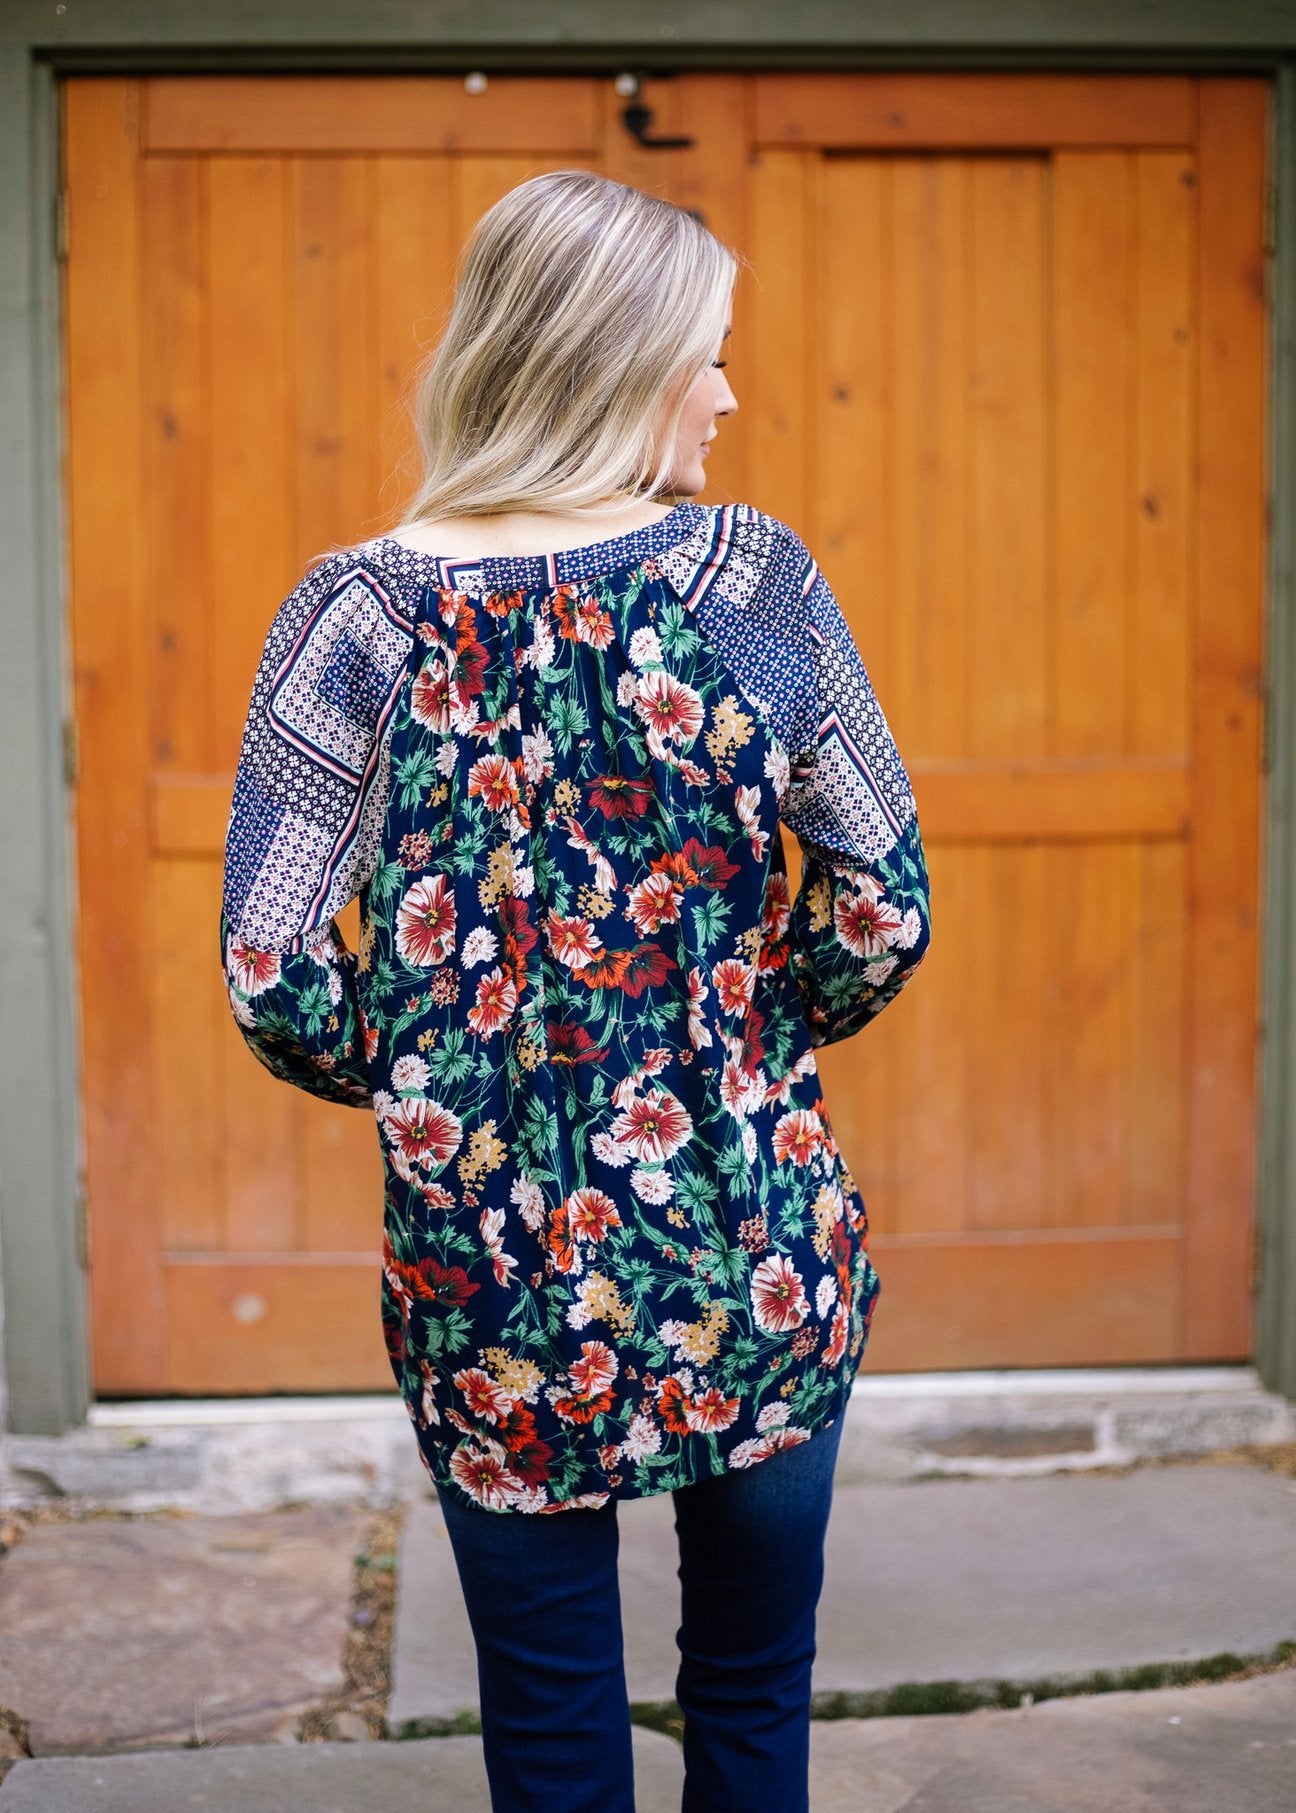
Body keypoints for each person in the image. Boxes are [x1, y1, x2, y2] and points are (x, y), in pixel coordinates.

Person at [220, 168, 931, 1813]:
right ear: (611, 359)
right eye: (713, 354)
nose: (734, 394)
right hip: (753, 1253)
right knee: (752, 1697)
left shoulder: (352, 619)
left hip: (494, 1288)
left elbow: (268, 968)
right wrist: (747, 1039)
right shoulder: (750, 583)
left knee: (548, 1731)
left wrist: (423, 1079)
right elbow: (886, 902)